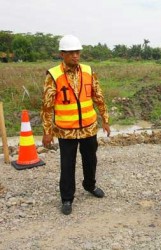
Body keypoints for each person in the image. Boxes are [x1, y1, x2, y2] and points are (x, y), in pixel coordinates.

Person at [41, 35, 111, 215]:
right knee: (67, 164)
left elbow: (98, 96)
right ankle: (66, 198)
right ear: (62, 54)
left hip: (88, 127)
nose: (75, 56)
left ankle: (90, 185)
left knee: (90, 159)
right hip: (66, 131)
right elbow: (47, 106)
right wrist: (47, 131)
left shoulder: (88, 71)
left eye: (77, 52)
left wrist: (105, 118)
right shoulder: (54, 75)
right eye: (71, 52)